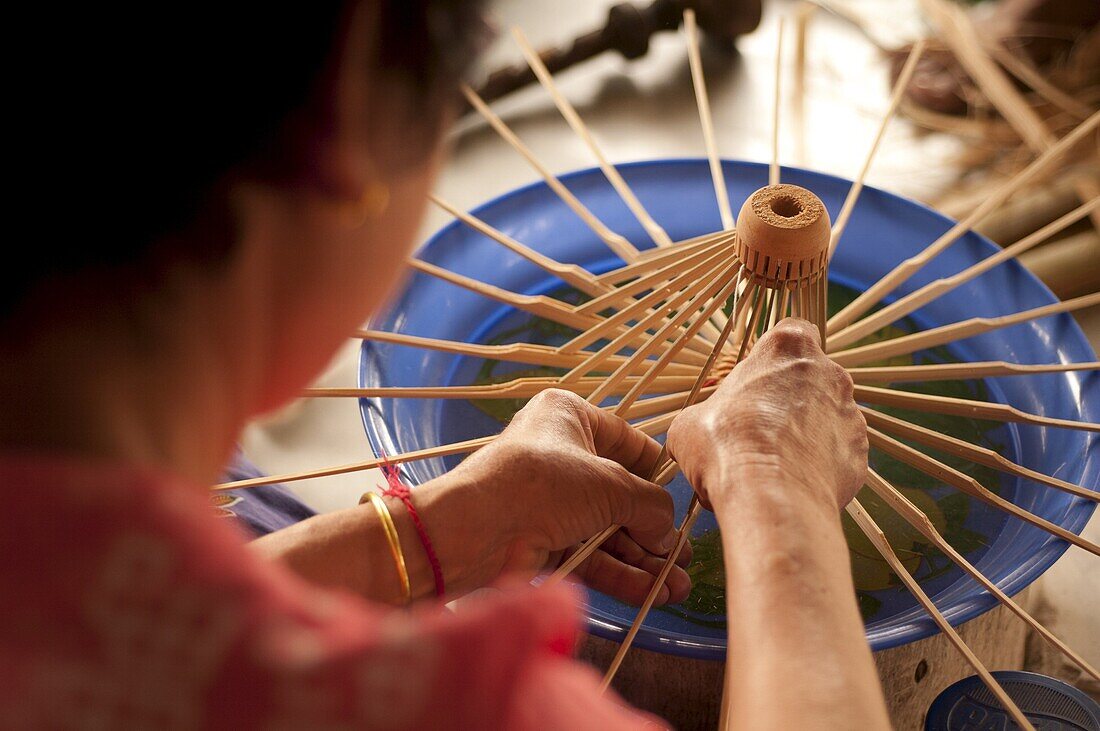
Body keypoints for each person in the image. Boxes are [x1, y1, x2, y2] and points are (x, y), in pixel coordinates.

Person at [0, 1, 888, 728]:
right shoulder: (448, 708)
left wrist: (446, 529)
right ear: (347, 117)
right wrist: (779, 489)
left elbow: (129, 622)